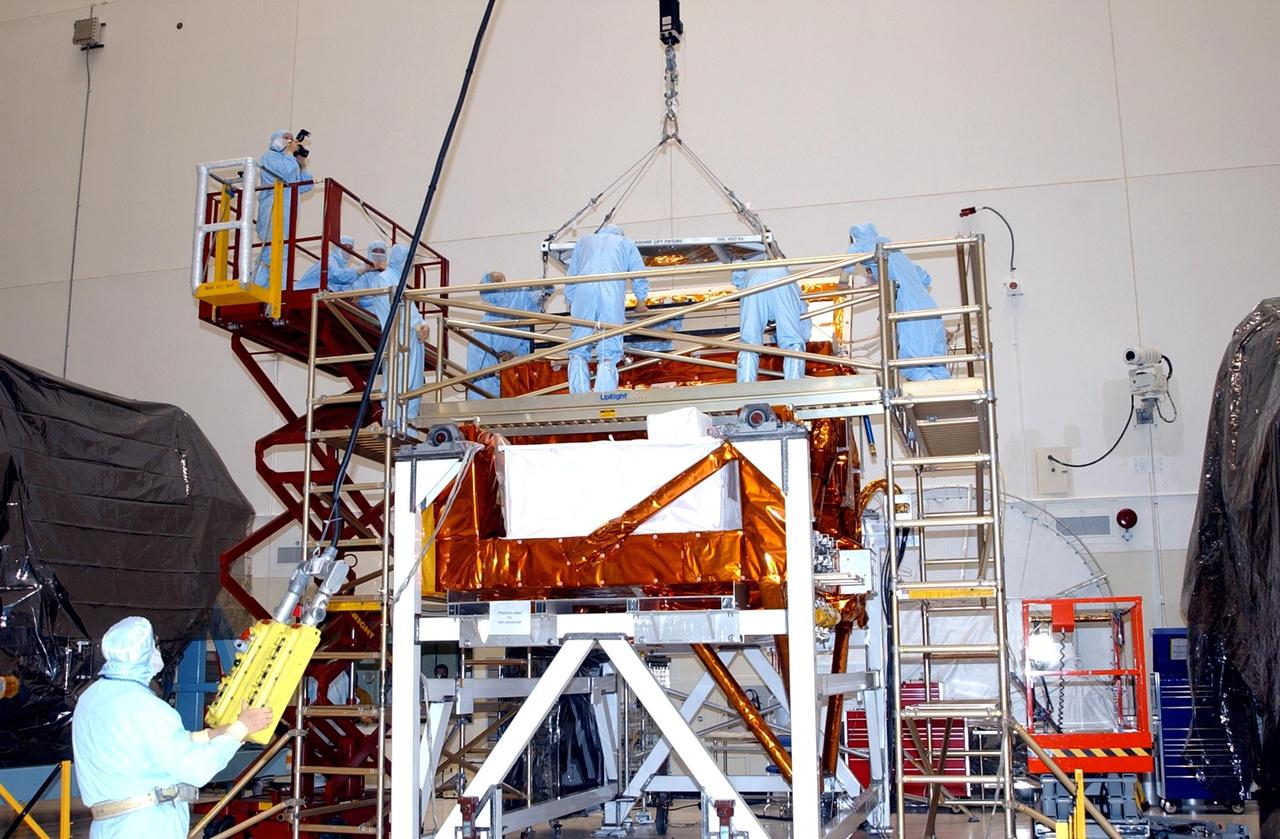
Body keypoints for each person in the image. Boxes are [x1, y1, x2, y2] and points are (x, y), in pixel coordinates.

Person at [72, 617, 272, 838]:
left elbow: (148, 744)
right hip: (146, 826)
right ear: (146, 653)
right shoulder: (149, 707)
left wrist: (215, 733)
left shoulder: (90, 698)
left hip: (105, 826)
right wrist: (240, 729)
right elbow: (197, 770)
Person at [847, 223, 949, 381]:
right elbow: (925, 278)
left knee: (912, 365)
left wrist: (844, 277)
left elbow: (857, 250)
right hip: (930, 309)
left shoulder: (876, 246)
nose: (869, 275)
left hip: (911, 313)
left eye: (869, 271)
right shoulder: (898, 254)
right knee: (936, 364)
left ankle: (928, 384)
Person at [565, 225, 649, 393]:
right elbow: (638, 273)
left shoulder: (584, 241)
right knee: (609, 345)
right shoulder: (625, 242)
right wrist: (641, 300)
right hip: (611, 295)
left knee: (579, 347)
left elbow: (571, 277)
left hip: (584, 293)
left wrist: (572, 303)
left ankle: (578, 395)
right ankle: (603, 395)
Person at [355, 243, 430, 420]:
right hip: (399, 340)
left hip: (413, 341)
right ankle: (393, 429)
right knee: (397, 386)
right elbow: (394, 313)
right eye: (409, 262)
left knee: (413, 387)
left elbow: (413, 312)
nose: (411, 266)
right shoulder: (384, 279)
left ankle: (408, 432)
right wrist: (416, 326)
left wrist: (424, 326)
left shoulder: (401, 283)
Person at [465, 271, 551, 399]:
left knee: (495, 394)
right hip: (483, 350)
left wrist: (513, 354)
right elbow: (487, 292)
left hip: (498, 362)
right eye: (543, 294)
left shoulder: (531, 316)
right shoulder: (514, 295)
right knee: (480, 390)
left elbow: (526, 345)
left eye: (547, 295)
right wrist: (491, 278)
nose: (543, 298)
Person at [733, 244, 810, 382]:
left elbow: (738, 278)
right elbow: (804, 331)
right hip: (781, 277)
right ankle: (793, 387)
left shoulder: (748, 274)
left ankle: (744, 388)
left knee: (749, 343)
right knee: (793, 343)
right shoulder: (794, 288)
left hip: (752, 277)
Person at [254, 130, 314, 287]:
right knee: (271, 252)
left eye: (291, 139)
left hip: (287, 216)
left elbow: (305, 186)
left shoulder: (290, 162)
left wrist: (301, 164)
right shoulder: (269, 157)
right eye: (286, 138)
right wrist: (290, 155)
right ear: (275, 140)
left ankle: (278, 288)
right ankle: (258, 285)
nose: (290, 141)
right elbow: (283, 172)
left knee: (282, 254)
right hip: (273, 211)